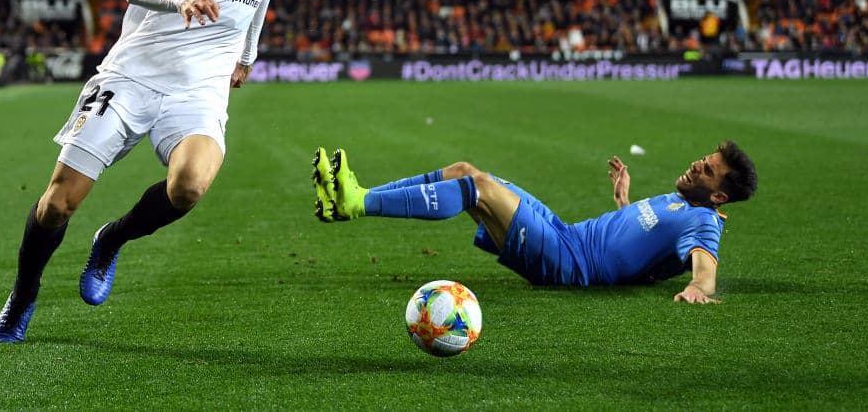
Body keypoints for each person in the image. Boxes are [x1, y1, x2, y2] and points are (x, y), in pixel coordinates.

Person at [0, 0, 295, 343]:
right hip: (133, 76)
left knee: (190, 186)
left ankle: (111, 241)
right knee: (58, 202)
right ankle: (24, 292)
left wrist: (247, 54)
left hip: (199, 89)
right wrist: (183, 0)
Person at [311, 140, 757, 303]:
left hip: (569, 263)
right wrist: (622, 201)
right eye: (702, 160)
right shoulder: (684, 201)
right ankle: (351, 197)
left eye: (707, 171)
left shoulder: (704, 224)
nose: (696, 166)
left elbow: (705, 267)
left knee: (479, 189)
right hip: (566, 233)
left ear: (719, 196)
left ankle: (357, 202)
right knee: (464, 171)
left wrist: (699, 290)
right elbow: (642, 244)